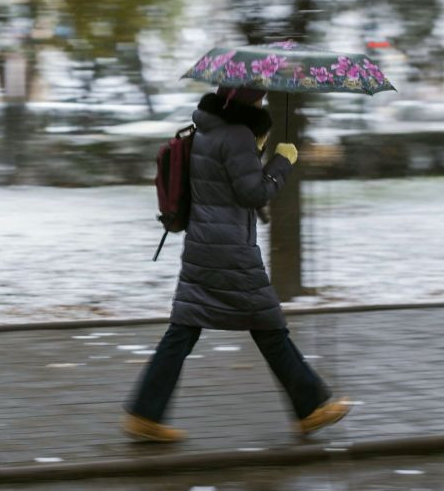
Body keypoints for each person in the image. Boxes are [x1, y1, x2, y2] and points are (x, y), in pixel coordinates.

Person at [122, 86, 350, 442]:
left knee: (185, 327)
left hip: (203, 244)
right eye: (259, 98)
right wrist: (282, 162)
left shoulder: (206, 130)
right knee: (269, 326)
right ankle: (310, 408)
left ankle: (144, 413)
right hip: (230, 249)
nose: (262, 102)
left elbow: (224, 182)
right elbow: (253, 193)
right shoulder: (237, 134)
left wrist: (256, 151)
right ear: (248, 102)